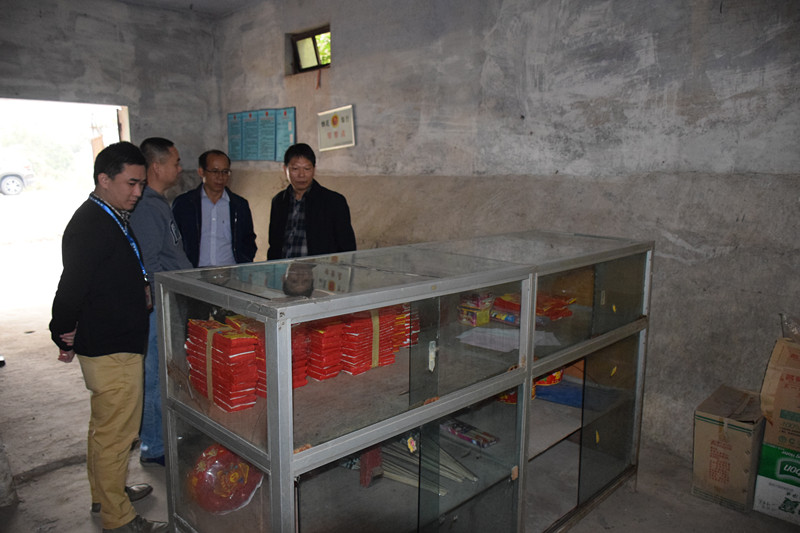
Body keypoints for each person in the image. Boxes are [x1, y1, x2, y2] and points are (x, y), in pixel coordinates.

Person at [49, 142, 168, 532]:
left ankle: (105, 493)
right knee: (117, 434)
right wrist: (61, 332)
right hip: (111, 346)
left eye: (142, 184)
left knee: (104, 428)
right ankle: (119, 518)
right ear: (104, 179)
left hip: (115, 339)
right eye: (131, 183)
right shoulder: (91, 224)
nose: (138, 192)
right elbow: (71, 287)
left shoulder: (110, 215)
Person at [129, 137, 192, 469]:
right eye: (175, 162)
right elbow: (150, 264)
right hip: (158, 306)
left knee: (166, 372)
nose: (179, 169)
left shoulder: (158, 202)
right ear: (156, 166)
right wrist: (161, 302)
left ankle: (161, 434)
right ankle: (153, 444)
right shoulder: (145, 207)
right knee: (155, 375)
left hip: (169, 301)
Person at [267, 143, 356, 259]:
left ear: (314, 170)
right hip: (284, 269)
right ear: (285, 170)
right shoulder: (278, 202)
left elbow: (347, 248)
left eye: (307, 169)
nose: (301, 175)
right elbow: (274, 245)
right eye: (295, 169)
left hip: (319, 269)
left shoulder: (334, 202)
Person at [172, 149, 257, 267]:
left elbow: (248, 240)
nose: (220, 177)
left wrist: (244, 262)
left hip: (230, 272)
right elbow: (175, 241)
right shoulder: (184, 204)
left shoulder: (239, 205)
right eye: (215, 171)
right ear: (201, 172)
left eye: (225, 172)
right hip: (194, 273)